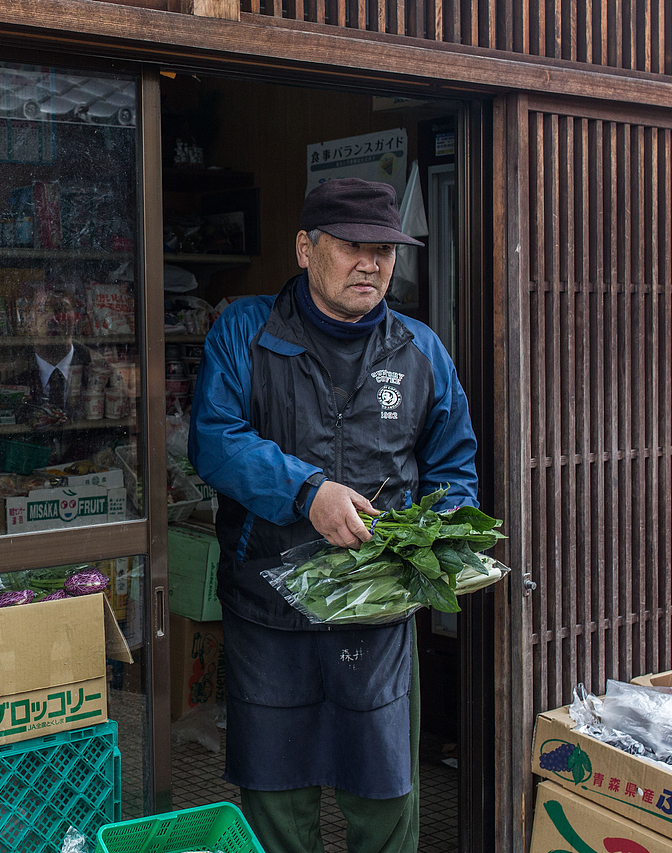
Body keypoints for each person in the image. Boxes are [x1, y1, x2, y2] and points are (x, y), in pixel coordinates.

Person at [188, 177, 479, 853]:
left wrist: (440, 543)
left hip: (378, 614)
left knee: (385, 794)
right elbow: (215, 440)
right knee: (276, 796)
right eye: (352, 245)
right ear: (305, 248)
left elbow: (453, 471)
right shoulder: (247, 331)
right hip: (269, 607)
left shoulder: (420, 351)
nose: (370, 263)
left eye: (384, 250)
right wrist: (307, 491)